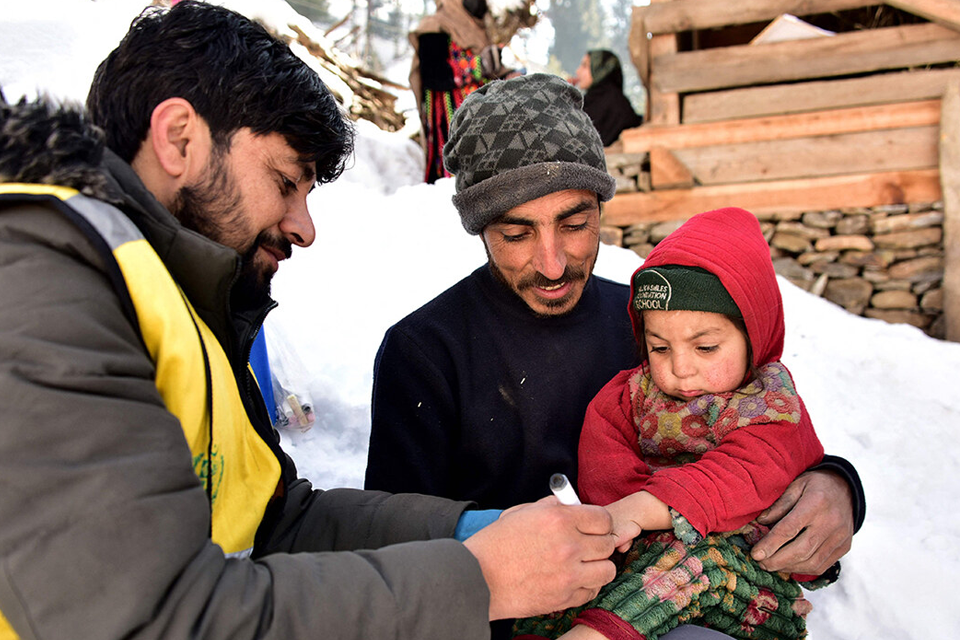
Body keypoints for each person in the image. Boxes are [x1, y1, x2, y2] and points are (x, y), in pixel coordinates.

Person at [0, 4, 621, 638]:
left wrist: (464, 530)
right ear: (179, 139)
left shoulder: (180, 301)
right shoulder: (38, 278)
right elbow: (146, 620)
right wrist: (475, 578)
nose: (305, 227)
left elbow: (276, 524)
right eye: (284, 181)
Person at [364, 74, 865, 640]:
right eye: (517, 235)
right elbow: (396, 549)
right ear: (480, 228)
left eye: (575, 225)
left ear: (601, 205)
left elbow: (756, 428)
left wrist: (835, 484)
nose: (552, 264)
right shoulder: (426, 352)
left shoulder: (651, 323)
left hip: (688, 596)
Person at [514, 207, 837, 640]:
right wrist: (619, 528)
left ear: (753, 336)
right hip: (646, 571)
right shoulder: (630, 396)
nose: (681, 368)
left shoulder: (772, 408)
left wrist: (640, 511)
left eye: (705, 347)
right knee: (563, 572)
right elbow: (605, 466)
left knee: (692, 560)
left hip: (748, 580)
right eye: (660, 347)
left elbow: (740, 474)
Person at [408, 0, 530, 183]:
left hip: (483, 127)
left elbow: (487, 76)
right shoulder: (435, 25)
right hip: (453, 128)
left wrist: (507, 75)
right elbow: (434, 74)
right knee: (454, 184)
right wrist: (479, 65)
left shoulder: (481, 30)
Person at [572, 50, 642, 147]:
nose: (578, 71)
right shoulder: (590, 101)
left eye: (584, 66)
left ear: (600, 69)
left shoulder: (613, 102)